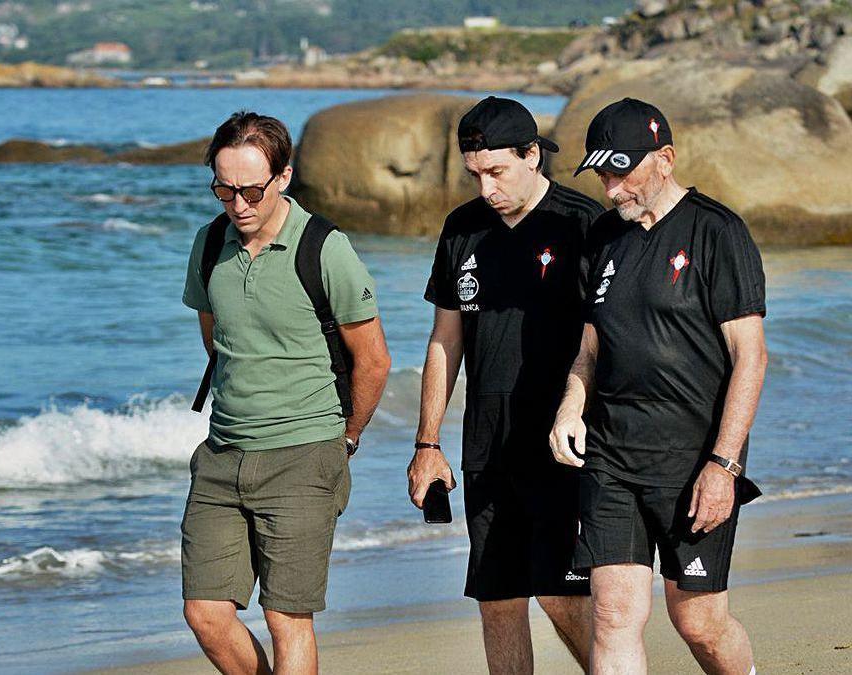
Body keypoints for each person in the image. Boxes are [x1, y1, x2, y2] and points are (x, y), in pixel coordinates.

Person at [550, 98, 767, 675]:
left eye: (622, 170)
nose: (611, 186)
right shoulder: (603, 239)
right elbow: (590, 347)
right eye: (602, 172)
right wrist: (571, 408)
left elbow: (750, 355)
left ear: (664, 159)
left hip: (694, 457)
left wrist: (724, 465)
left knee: (698, 621)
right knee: (614, 614)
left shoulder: (717, 232)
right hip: (613, 455)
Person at [180, 111, 391, 675]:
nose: (238, 202)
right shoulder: (208, 245)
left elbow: (373, 360)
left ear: (284, 177)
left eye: (251, 188)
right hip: (222, 455)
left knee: (286, 617)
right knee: (205, 613)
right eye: (224, 188)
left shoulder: (325, 248)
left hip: (305, 456)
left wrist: (343, 441)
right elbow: (218, 343)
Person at [408, 96, 604, 674]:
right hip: (486, 448)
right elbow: (445, 339)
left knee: (561, 594)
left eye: (497, 172)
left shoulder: (582, 224)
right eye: (475, 174)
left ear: (533, 155)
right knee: (497, 600)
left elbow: (610, 340)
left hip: (562, 446)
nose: (486, 188)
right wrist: (427, 444)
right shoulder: (461, 228)